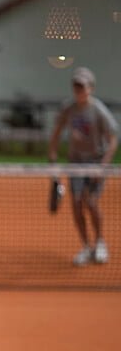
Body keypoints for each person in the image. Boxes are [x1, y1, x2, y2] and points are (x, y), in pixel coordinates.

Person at [48, 66, 118, 266]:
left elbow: (113, 140)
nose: (79, 90)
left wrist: (103, 166)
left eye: (83, 87)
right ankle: (86, 247)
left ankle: (100, 243)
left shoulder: (98, 110)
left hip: (96, 161)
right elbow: (57, 131)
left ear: (91, 88)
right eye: (76, 87)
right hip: (76, 163)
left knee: (91, 202)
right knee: (77, 203)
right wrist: (52, 154)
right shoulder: (68, 109)